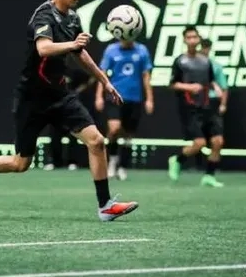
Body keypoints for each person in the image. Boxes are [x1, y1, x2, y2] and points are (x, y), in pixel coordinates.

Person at [0, 0, 139, 221]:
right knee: (21, 164)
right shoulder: (43, 16)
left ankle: (105, 206)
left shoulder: (73, 17)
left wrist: (104, 81)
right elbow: (44, 48)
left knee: (97, 141)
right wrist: (73, 44)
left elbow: (80, 53)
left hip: (60, 95)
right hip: (31, 99)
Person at [167, 25, 225, 188]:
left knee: (218, 141)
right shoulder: (180, 61)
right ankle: (177, 160)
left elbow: (211, 80)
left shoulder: (205, 61)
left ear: (199, 39)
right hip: (189, 108)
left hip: (206, 106)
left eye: (195, 37)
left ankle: (209, 176)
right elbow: (172, 84)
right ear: (185, 40)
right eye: (189, 37)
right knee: (199, 143)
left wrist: (216, 87)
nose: (192, 40)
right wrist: (189, 87)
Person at [95, 38, 154, 181]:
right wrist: (99, 96)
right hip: (115, 96)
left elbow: (146, 76)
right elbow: (102, 74)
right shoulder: (111, 50)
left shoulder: (142, 50)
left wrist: (149, 99)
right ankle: (112, 162)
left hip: (134, 98)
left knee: (128, 135)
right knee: (114, 129)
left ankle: (123, 166)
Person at [43, 64, 96, 171]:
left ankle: (73, 162)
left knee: (74, 135)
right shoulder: (51, 73)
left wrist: (78, 91)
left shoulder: (73, 72)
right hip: (56, 108)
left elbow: (92, 77)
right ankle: (55, 162)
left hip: (71, 108)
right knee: (54, 135)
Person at [194, 38, 229, 171]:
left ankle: (210, 172)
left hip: (212, 104)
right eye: (202, 46)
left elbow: (224, 87)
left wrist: (223, 104)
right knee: (199, 140)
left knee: (217, 140)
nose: (204, 49)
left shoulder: (216, 66)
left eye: (207, 47)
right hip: (197, 104)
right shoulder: (191, 65)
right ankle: (194, 164)